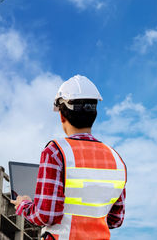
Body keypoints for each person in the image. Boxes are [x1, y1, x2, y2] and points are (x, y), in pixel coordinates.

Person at [11, 75, 126, 240]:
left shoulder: (55, 152)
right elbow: (116, 219)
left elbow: (46, 215)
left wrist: (24, 204)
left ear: (62, 116)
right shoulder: (116, 159)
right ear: (94, 114)